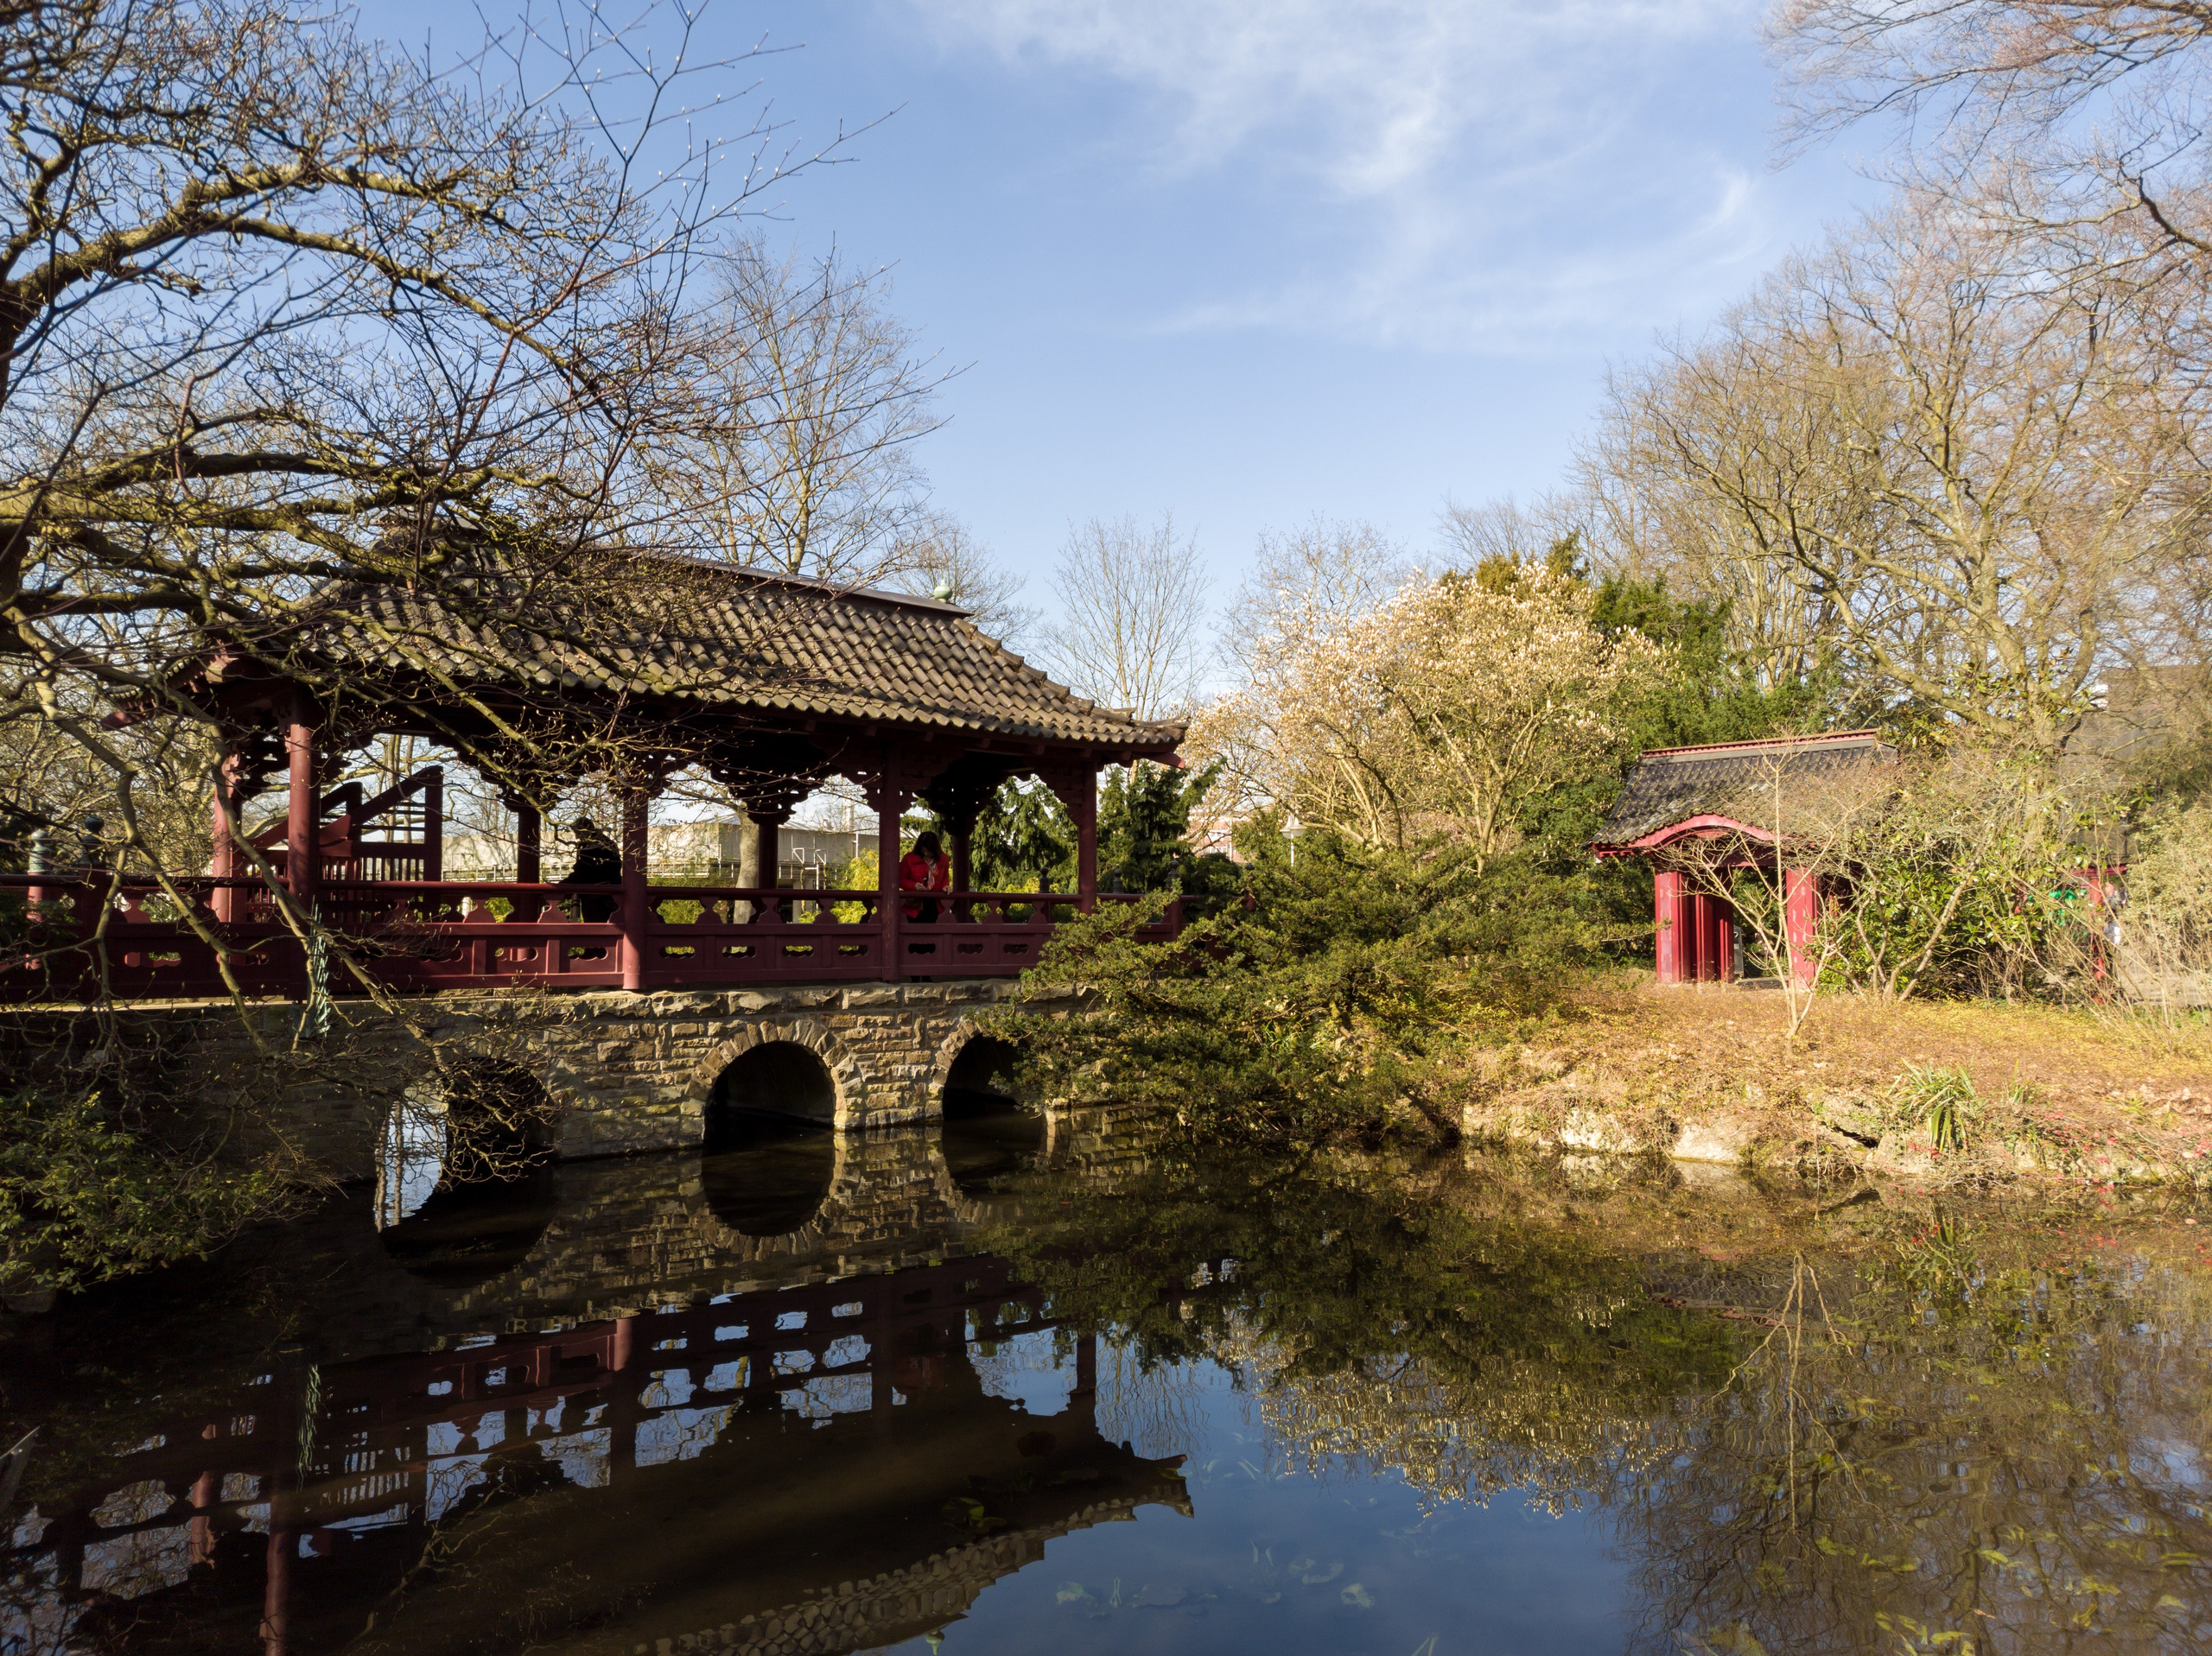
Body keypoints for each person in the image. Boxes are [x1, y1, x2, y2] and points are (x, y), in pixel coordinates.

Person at [557, 820, 622, 922]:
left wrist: (560, 886)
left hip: (595, 896)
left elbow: (582, 872)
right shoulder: (608, 843)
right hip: (613, 893)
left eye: (577, 833)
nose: (576, 837)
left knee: (595, 929)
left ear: (584, 831)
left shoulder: (590, 847)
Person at [899, 830, 951, 923]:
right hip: (914, 906)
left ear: (935, 849)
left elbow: (945, 878)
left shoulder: (944, 859)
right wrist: (913, 885)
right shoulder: (909, 858)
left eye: (929, 851)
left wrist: (946, 887)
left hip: (935, 905)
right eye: (923, 850)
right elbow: (900, 880)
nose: (926, 854)